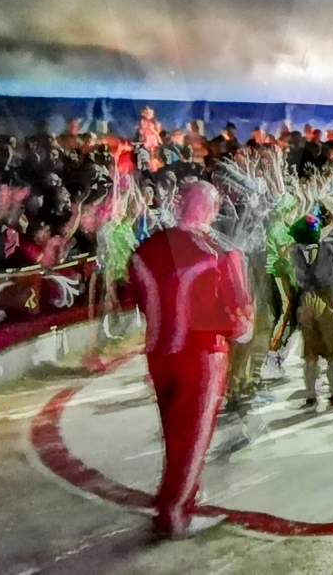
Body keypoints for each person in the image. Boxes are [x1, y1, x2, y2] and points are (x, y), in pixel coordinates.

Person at [127, 181, 253, 540]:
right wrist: (241, 328)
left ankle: (176, 497)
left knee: (173, 430)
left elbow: (136, 295)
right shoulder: (215, 250)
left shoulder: (147, 249)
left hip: (158, 351)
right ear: (211, 209)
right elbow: (235, 313)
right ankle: (176, 511)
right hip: (201, 353)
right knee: (193, 435)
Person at [289, 213, 333, 410]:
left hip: (307, 296)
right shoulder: (327, 245)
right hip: (327, 295)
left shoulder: (295, 249)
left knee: (310, 349)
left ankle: (311, 396)